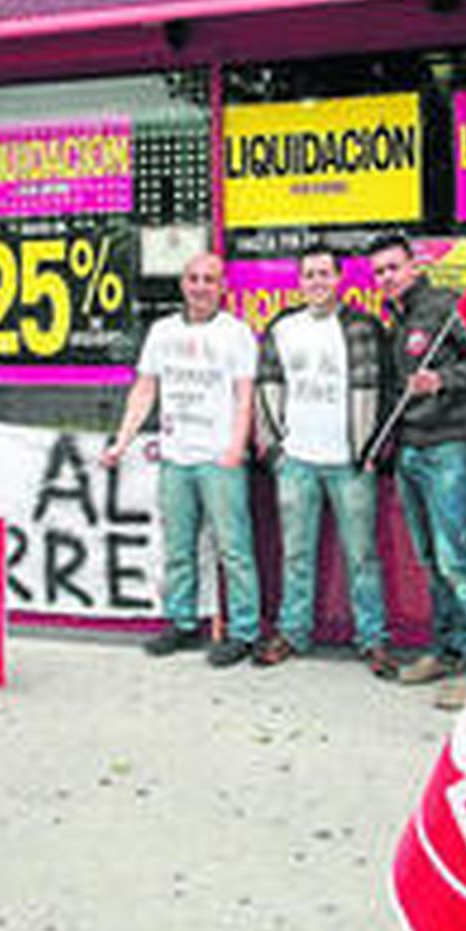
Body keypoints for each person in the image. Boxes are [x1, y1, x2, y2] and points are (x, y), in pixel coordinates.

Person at [101, 252, 261, 667]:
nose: (201, 286)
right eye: (194, 279)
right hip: (176, 457)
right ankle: (182, 623)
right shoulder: (161, 332)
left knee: (235, 550)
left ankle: (244, 632)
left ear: (222, 286)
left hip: (219, 458)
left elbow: (246, 396)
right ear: (183, 285)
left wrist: (235, 448)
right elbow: (144, 390)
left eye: (210, 279)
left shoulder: (237, 333)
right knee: (178, 548)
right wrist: (121, 442)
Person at [253, 245, 397, 679]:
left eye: (324, 274)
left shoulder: (364, 327)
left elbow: (387, 390)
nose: (316, 282)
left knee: (363, 556)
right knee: (296, 554)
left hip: (351, 462)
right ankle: (293, 633)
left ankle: (372, 640)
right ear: (299, 282)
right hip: (296, 461)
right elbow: (265, 388)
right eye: (309, 275)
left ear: (340, 279)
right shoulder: (282, 327)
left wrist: (374, 449)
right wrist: (275, 450)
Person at [370, 232, 466, 711]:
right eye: (378, 272)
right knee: (429, 560)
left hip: (447, 448)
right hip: (410, 450)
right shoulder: (395, 320)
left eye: (393, 268)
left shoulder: (444, 307)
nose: (386, 278)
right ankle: (447, 652)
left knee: (455, 560)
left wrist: (441, 379)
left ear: (413, 267)